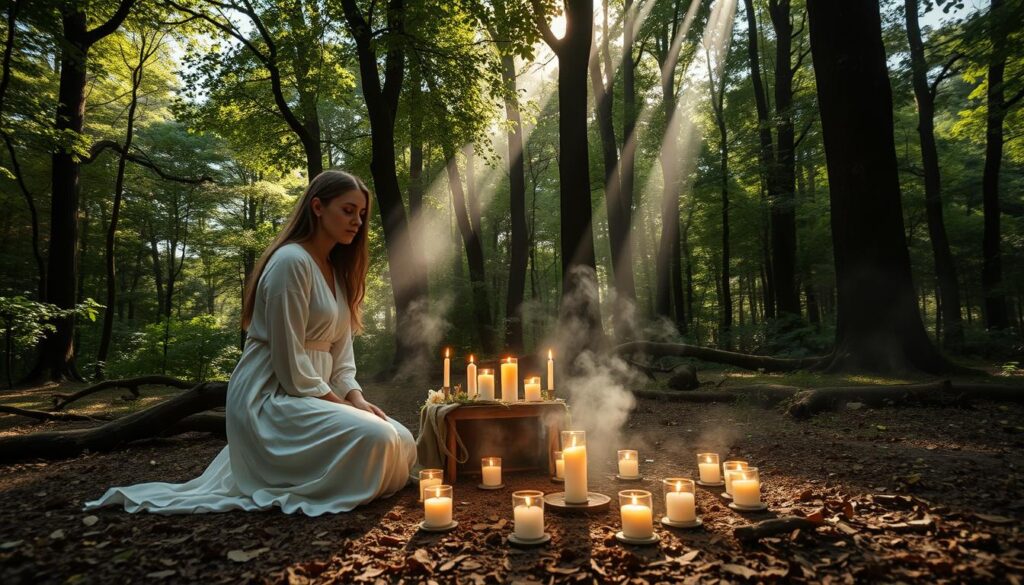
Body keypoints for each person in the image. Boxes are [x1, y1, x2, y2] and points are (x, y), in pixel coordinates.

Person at [85, 170, 416, 515]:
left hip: (316, 394)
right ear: (317, 207)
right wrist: (342, 406)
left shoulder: (338, 274)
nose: (357, 222)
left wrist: (357, 400)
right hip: (271, 396)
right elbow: (290, 367)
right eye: (348, 211)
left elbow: (343, 359)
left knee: (404, 439)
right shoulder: (291, 262)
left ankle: (351, 467)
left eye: (362, 215)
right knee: (378, 438)